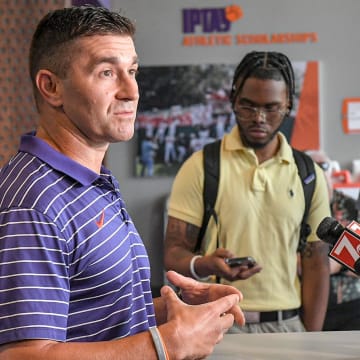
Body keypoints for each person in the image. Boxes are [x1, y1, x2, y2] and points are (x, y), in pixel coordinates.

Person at [0, 6, 246, 359]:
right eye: (106, 73)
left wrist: (173, 308)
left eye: (132, 71)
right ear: (51, 87)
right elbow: (23, 356)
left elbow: (87, 315)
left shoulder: (92, 181)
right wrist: (168, 344)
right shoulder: (33, 204)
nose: (131, 91)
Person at [164, 51, 331, 333]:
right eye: (248, 106)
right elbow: (173, 254)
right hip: (217, 322)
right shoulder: (201, 166)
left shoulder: (307, 174)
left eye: (271, 107)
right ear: (233, 101)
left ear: (288, 104)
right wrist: (206, 264)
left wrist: (312, 339)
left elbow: (317, 264)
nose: (259, 118)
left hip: (287, 325)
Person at [307, 150, 360, 331]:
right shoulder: (298, 209)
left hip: (351, 305)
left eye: (323, 167)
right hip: (307, 305)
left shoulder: (352, 207)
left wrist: (339, 264)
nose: (320, 174)